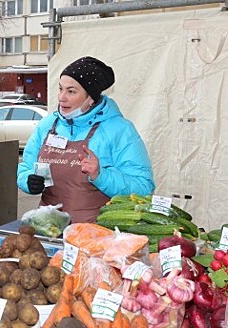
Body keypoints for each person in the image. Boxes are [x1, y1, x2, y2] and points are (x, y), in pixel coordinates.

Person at [17, 56, 155, 223]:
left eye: (71, 91)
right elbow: (25, 166)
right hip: (48, 229)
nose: (62, 97)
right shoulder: (47, 125)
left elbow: (143, 187)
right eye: (60, 89)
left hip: (96, 236)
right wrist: (27, 180)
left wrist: (101, 175)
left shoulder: (119, 130)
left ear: (91, 98)